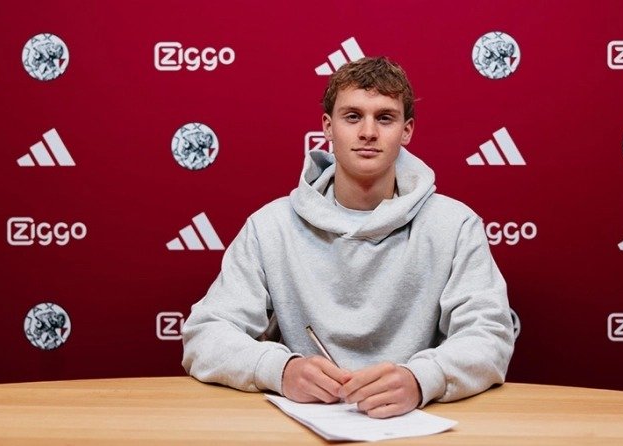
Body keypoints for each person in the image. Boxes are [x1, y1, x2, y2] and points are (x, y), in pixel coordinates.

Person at [182, 56, 514, 419]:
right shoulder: (270, 226)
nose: (368, 132)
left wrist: (421, 379)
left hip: (412, 426)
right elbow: (206, 334)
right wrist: (281, 370)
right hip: (302, 425)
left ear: (406, 131)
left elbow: (490, 336)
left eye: (384, 118)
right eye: (353, 116)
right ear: (328, 127)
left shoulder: (455, 225)